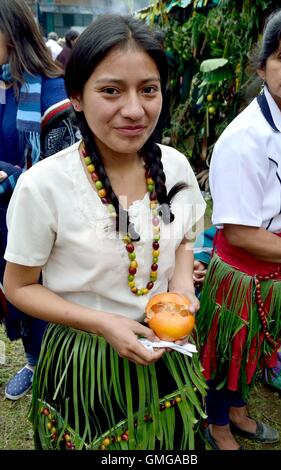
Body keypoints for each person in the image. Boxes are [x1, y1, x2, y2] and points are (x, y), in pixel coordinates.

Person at [3, 15, 206, 450]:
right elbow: (18, 287)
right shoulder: (43, 186)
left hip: (165, 349)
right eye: (111, 90)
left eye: (148, 89)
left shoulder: (174, 166)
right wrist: (104, 323)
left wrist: (183, 286)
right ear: (76, 96)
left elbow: (186, 236)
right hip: (85, 360)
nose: (134, 109)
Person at [196, 5, 281, 451]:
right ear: (262, 67)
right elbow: (238, 232)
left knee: (255, 351)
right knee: (227, 353)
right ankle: (218, 425)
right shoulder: (244, 139)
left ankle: (238, 411)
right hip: (245, 274)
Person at [0, 0, 78, 401]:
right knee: (15, 291)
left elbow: (65, 175)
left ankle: (60, 361)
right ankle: (33, 360)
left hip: (43, 221)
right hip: (3, 218)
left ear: (11, 35)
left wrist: (13, 178)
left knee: (46, 290)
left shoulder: (53, 93)